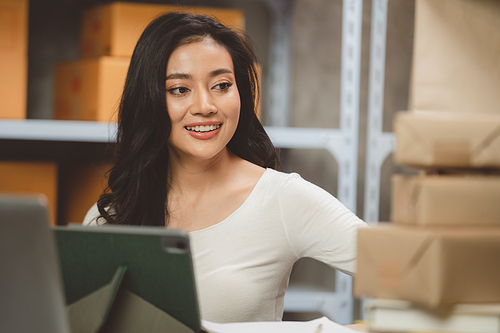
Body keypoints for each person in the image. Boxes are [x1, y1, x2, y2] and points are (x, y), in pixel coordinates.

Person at [83, 12, 367, 323]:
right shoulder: (108, 217)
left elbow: (407, 271)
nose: (205, 106)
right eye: (179, 89)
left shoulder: (282, 199)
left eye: (221, 85)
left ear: (240, 94)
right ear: (149, 100)